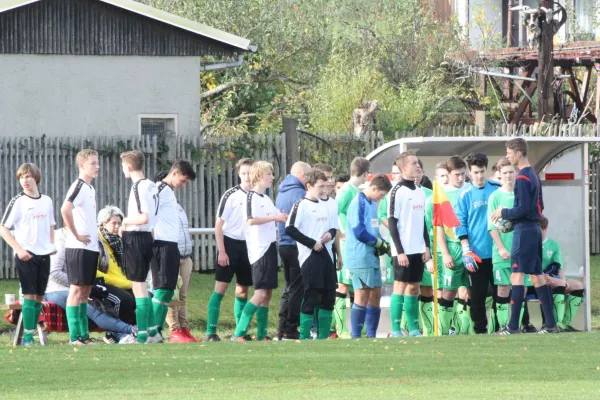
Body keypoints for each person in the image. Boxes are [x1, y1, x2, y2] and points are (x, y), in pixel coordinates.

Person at [492, 138, 560, 334]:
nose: (507, 156)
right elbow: (540, 207)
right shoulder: (534, 175)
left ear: (518, 153)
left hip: (524, 231)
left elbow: (522, 209)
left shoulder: (522, 177)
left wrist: (504, 213)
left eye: (509, 153)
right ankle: (550, 324)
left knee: (516, 275)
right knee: (537, 277)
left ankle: (513, 326)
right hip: (534, 230)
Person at [45, 228, 136, 344]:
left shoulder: (87, 237)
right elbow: (54, 273)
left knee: (109, 301)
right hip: (56, 289)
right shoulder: (61, 238)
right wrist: (79, 283)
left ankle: (111, 335)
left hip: (80, 285)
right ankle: (131, 330)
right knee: (92, 309)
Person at [0, 163, 56, 346]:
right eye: (21, 177)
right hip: (26, 255)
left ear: (36, 178)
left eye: (28, 176)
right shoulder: (18, 201)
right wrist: (19, 250)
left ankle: (32, 333)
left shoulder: (46, 200)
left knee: (40, 296)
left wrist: (51, 245)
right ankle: (29, 338)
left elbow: (50, 225)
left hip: (44, 254)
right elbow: (3, 228)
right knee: (30, 295)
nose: (24, 180)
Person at [233, 161, 288, 342]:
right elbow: (250, 220)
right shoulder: (251, 197)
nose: (272, 178)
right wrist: (275, 217)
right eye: (268, 174)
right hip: (259, 250)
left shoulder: (266, 198)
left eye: (272, 174)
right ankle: (239, 333)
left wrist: (283, 216)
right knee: (260, 293)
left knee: (268, 293)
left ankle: (262, 334)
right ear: (258, 176)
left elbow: (275, 217)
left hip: (270, 247)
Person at [285, 170, 338, 339]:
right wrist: (312, 243)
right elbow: (290, 228)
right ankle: (305, 335)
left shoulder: (326, 204)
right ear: (309, 186)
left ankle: (322, 338)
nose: (324, 189)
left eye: (325, 185)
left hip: (327, 254)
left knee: (329, 296)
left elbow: (333, 227)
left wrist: (330, 234)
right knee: (311, 295)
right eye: (320, 186)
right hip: (310, 256)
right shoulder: (301, 205)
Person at [207, 158, 255, 342]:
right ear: (239, 174)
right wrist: (222, 250)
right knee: (220, 288)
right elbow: (219, 223)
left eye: (250, 173)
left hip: (248, 246)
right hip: (230, 244)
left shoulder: (259, 195)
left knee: (243, 290)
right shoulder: (231, 195)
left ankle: (241, 331)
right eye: (244, 173)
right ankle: (211, 331)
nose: (247, 177)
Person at [456, 153, 500, 334]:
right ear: (469, 172)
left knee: (502, 292)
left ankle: (501, 327)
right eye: (475, 172)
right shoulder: (464, 193)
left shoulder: (497, 189)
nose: (479, 176)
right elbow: (460, 223)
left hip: (498, 252)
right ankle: (480, 330)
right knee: (478, 295)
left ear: (486, 170)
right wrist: (466, 249)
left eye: (482, 172)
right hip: (477, 255)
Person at [152, 160, 197, 343]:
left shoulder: (171, 195)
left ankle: (176, 329)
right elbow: (149, 215)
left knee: (173, 291)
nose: (183, 185)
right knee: (164, 290)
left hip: (178, 249)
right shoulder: (159, 190)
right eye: (183, 181)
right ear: (175, 173)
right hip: (162, 247)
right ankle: (155, 330)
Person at [388, 152, 430, 337]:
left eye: (418, 163)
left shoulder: (420, 191)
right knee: (400, 285)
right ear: (404, 168)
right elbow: (391, 223)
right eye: (414, 163)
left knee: (414, 286)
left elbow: (423, 223)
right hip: (402, 251)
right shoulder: (396, 191)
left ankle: (413, 328)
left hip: (418, 249)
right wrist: (400, 252)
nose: (418, 166)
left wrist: (426, 247)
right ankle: (396, 329)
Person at [120, 150, 160, 344]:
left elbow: (143, 217)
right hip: (147, 238)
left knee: (139, 287)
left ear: (128, 166)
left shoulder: (138, 187)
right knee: (143, 284)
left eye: (122, 167)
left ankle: (142, 335)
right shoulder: (152, 185)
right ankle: (153, 331)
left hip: (136, 237)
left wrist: (124, 222)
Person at [61, 149, 100, 345]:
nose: (97, 166)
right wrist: (75, 234)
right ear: (82, 166)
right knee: (76, 290)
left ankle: (84, 335)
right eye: (93, 163)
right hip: (78, 248)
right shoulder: (78, 186)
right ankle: (74, 336)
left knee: (86, 291)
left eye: (97, 162)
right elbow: (65, 209)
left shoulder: (90, 189)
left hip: (91, 248)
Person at [425, 156, 468, 335]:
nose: (460, 178)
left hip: (470, 250)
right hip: (450, 251)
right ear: (448, 174)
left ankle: (464, 330)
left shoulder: (469, 192)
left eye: (463, 174)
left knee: (467, 292)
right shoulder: (437, 199)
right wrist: (444, 253)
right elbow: (435, 229)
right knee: (447, 292)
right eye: (457, 175)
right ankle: (443, 331)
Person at [346, 174, 392, 338]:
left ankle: (371, 335)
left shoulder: (373, 204)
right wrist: (378, 244)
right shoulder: (358, 202)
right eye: (382, 194)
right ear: (373, 188)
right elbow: (359, 232)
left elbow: (373, 229)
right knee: (362, 294)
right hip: (359, 255)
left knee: (376, 293)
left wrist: (383, 244)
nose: (382, 198)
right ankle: (356, 336)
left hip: (371, 256)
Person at [335, 157, 371, 338]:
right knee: (343, 286)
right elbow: (334, 211)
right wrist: (341, 232)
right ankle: (341, 329)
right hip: (345, 247)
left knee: (354, 286)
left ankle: (355, 327)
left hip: (353, 246)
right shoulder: (345, 191)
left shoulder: (354, 191)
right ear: (365, 173)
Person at [275, 161, 311, 340]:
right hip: (295, 244)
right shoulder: (299, 194)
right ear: (303, 176)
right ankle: (291, 328)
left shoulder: (282, 191)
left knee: (288, 286)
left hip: (283, 243)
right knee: (298, 288)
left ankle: (281, 327)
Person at [166, 175, 199, 342]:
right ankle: (174, 330)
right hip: (171, 254)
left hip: (186, 254)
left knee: (182, 295)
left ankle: (185, 329)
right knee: (172, 294)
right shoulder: (161, 204)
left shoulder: (177, 206)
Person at [538, 216, 584, 331]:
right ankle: (555, 324)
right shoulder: (530, 245)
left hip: (552, 278)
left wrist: (562, 279)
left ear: (545, 228)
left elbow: (559, 267)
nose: (539, 232)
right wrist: (545, 277)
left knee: (578, 285)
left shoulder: (554, 245)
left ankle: (565, 323)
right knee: (559, 284)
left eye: (541, 229)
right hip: (535, 279)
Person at [487, 158, 516, 332]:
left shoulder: (521, 194)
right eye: (504, 173)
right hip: (502, 252)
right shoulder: (495, 196)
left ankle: (515, 325)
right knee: (503, 287)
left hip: (519, 250)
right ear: (499, 174)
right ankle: (504, 326)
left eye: (511, 172)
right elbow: (491, 226)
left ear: (516, 173)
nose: (508, 176)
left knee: (521, 287)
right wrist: (501, 248)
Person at [97, 205, 136, 327]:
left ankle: (140, 331)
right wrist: (123, 283)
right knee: (124, 299)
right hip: (102, 283)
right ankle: (115, 333)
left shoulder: (120, 241)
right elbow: (94, 272)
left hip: (123, 281)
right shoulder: (96, 242)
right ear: (103, 224)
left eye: (119, 223)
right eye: (114, 223)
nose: (117, 227)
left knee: (144, 297)